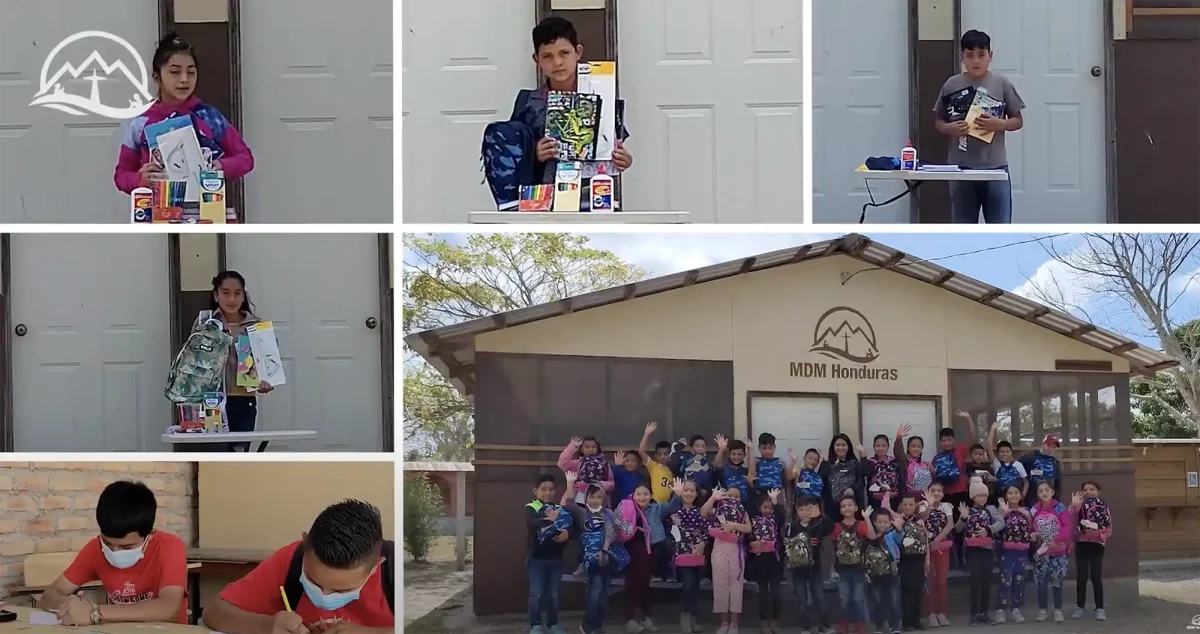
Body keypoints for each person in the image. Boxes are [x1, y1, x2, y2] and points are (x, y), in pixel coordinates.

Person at [203, 499, 395, 633]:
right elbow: (214, 612)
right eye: (312, 581)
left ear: (376, 566)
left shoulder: (397, 571)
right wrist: (265, 625)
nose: (324, 597)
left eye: (341, 591)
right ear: (305, 544)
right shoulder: (292, 559)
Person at [115, 33, 254, 193]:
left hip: (206, 210)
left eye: (191, 72)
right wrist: (140, 179)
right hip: (158, 213)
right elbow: (121, 175)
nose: (184, 79)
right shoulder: (140, 123)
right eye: (174, 72)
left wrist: (220, 167)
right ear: (156, 77)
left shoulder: (209, 117)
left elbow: (245, 158)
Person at [39, 481, 187, 625]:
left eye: (127, 547)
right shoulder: (95, 548)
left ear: (148, 535)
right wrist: (71, 607)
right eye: (108, 544)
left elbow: (168, 608)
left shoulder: (169, 546)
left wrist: (96, 612)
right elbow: (50, 595)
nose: (115, 552)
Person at [515, 17, 634, 187]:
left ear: (578, 52)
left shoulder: (601, 98)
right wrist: (534, 154)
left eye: (564, 53)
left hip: (595, 195)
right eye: (548, 56)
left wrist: (623, 160)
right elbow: (512, 156)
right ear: (537, 60)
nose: (557, 62)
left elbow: (613, 146)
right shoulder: (529, 104)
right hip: (545, 198)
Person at [933, 29, 1025, 224]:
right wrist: (951, 129)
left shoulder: (1001, 84)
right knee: (962, 225)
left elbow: (1017, 120)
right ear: (961, 58)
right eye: (970, 55)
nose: (976, 61)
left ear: (990, 56)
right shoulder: (952, 84)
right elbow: (939, 121)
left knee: (1000, 226)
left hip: (995, 167)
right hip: (960, 167)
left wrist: (998, 124)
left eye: (981, 55)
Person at [201, 271, 274, 451]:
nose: (232, 299)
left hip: (243, 401)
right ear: (216, 295)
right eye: (225, 292)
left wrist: (266, 380)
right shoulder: (205, 323)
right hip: (211, 401)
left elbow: (268, 367)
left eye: (237, 293)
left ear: (243, 295)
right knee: (215, 455)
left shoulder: (255, 326)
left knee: (238, 453)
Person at [563, 475, 626, 634]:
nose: (596, 500)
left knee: (604, 592)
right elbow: (569, 504)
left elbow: (616, 530)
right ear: (586, 497)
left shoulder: (609, 514)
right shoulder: (582, 513)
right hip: (591, 559)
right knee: (595, 590)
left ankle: (598, 625)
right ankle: (588, 625)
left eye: (599, 497)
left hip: (607, 556)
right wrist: (570, 483)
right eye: (592, 496)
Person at [616, 484, 680, 634]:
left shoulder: (655, 508)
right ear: (633, 495)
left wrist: (677, 495)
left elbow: (671, 507)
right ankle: (630, 620)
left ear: (650, 496)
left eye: (645, 494)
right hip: (628, 549)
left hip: (648, 550)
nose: (642, 497)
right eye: (639, 494)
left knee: (645, 584)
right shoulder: (626, 507)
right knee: (631, 584)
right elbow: (615, 520)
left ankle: (646, 617)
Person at [954, 478, 1005, 625]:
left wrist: (988, 530)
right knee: (975, 583)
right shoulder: (968, 510)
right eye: (979, 495)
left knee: (986, 582)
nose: (982, 498)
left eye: (984, 495)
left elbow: (1001, 522)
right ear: (972, 497)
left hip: (988, 550)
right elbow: (957, 529)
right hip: (973, 552)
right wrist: (963, 518)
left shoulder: (991, 509)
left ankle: (984, 613)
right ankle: (974, 614)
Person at [526, 474, 571, 634]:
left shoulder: (559, 508)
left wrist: (567, 533)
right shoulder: (531, 507)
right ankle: (536, 625)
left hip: (556, 559)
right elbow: (533, 523)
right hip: (536, 560)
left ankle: (553, 624)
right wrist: (549, 519)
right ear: (535, 491)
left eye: (551, 489)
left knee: (553, 594)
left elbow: (568, 526)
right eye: (543, 489)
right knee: (536, 594)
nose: (547, 493)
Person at [702, 487, 751, 634]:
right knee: (720, 585)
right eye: (729, 495)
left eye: (736, 496)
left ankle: (734, 623)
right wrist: (713, 498)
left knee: (736, 586)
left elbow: (748, 528)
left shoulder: (743, 511)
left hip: (736, 550)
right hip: (719, 550)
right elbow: (703, 513)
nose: (733, 498)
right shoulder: (718, 509)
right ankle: (723, 622)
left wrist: (734, 526)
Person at [785, 495, 833, 634]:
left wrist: (821, 515)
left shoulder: (818, 524)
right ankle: (806, 626)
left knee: (819, 597)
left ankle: (824, 625)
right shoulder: (792, 526)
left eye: (808, 510)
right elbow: (786, 540)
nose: (805, 513)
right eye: (802, 509)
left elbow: (830, 527)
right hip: (798, 569)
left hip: (815, 568)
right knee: (802, 600)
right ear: (797, 510)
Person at [884, 493, 928, 631]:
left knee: (917, 590)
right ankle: (907, 621)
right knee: (907, 591)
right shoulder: (897, 520)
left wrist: (927, 561)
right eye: (905, 505)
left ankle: (916, 619)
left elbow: (925, 542)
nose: (908, 507)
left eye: (911, 504)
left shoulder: (919, 521)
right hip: (905, 560)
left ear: (915, 505)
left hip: (919, 560)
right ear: (901, 506)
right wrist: (898, 528)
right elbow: (892, 541)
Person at [670, 479, 708, 633]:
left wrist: (702, 544)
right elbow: (669, 523)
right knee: (688, 584)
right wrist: (676, 496)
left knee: (696, 585)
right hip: (682, 549)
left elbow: (707, 529)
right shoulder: (675, 509)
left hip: (697, 550)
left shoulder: (699, 511)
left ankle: (694, 616)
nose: (688, 493)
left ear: (697, 493)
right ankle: (685, 616)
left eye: (692, 491)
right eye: (685, 490)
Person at [831, 496, 874, 634]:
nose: (847, 508)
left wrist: (867, 518)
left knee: (857, 597)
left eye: (850, 505)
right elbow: (833, 548)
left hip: (859, 568)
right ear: (840, 510)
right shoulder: (836, 527)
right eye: (843, 506)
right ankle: (845, 621)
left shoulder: (861, 525)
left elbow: (872, 536)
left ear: (856, 508)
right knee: (844, 598)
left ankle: (859, 622)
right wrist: (832, 568)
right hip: (842, 569)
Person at [1070, 482, 1112, 622]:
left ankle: (1099, 608)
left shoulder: (1103, 507)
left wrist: (1098, 535)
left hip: (1097, 544)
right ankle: (1080, 607)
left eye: (1092, 489)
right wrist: (1073, 505)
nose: (1088, 492)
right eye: (1085, 490)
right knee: (1081, 577)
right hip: (1081, 543)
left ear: (1099, 491)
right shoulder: (1079, 504)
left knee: (1096, 576)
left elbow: (1108, 527)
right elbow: (1068, 517)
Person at [1029, 481, 1071, 623]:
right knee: (1041, 582)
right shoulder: (1034, 510)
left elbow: (1067, 527)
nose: (1044, 493)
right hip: (1042, 553)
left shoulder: (1060, 508)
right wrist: (1033, 535)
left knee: (1057, 581)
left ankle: (1058, 610)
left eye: (1047, 490)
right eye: (1040, 491)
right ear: (1037, 494)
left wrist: (1056, 540)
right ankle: (1042, 609)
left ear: (1052, 491)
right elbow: (1031, 529)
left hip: (1058, 552)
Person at [747, 489, 785, 634]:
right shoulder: (753, 520)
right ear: (759, 508)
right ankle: (763, 624)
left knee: (776, 592)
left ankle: (775, 622)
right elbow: (748, 536)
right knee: (762, 592)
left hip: (775, 558)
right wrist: (752, 543)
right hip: (759, 559)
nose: (768, 510)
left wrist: (775, 500)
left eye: (770, 508)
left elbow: (781, 515)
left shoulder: (776, 518)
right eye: (765, 508)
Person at [995, 485, 1033, 624]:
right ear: (1006, 496)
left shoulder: (1026, 511)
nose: (1013, 495)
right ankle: (1001, 609)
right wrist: (1004, 513)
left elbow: (1030, 528)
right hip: (1007, 550)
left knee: (1019, 579)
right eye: (1010, 493)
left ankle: (1016, 609)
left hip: (1022, 550)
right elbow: (997, 529)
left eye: (1016, 492)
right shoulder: (1001, 510)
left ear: (1020, 495)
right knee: (1005, 579)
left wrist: (1032, 536)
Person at [865, 507, 904, 634]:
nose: (882, 524)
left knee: (894, 599)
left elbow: (899, 537)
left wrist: (898, 528)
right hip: (875, 575)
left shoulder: (891, 535)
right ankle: (879, 626)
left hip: (892, 574)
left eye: (885, 522)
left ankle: (895, 625)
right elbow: (871, 537)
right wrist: (866, 518)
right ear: (875, 523)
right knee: (877, 601)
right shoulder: (871, 537)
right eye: (879, 522)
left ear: (890, 523)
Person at [922, 482, 954, 628]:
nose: (936, 493)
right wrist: (929, 505)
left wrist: (937, 540)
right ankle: (931, 613)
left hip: (942, 547)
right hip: (927, 549)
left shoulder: (946, 506)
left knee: (942, 581)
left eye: (939, 491)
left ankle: (942, 613)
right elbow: (922, 520)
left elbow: (950, 525)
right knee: (930, 581)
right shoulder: (923, 505)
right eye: (933, 490)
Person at [985, 422, 1028, 505]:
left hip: (1016, 500)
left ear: (1011, 452)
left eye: (1007, 451)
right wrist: (993, 429)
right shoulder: (997, 464)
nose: (1004, 454)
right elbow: (989, 446)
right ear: (997, 454)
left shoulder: (1018, 464)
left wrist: (1023, 494)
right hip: (1001, 499)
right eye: (1001, 452)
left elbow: (1025, 481)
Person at [821, 434, 863, 518]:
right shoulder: (827, 462)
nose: (840, 448)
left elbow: (861, 481)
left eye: (843, 445)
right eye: (837, 445)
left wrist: (853, 489)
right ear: (833, 446)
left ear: (848, 447)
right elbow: (821, 481)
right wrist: (826, 463)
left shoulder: (854, 463)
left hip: (851, 506)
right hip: (832, 507)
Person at [1019, 435, 1063, 508]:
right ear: (1043, 444)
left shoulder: (1055, 462)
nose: (1050, 449)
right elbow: (1017, 468)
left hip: (1049, 498)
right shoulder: (1030, 456)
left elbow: (1058, 483)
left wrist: (1057, 499)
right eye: (1048, 445)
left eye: (1053, 447)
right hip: (1032, 498)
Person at [893, 425, 932, 503]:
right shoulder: (905, 460)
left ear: (922, 449)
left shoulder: (925, 464)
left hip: (924, 501)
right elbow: (898, 452)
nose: (916, 449)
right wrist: (898, 438)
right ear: (908, 448)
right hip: (908, 501)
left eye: (919, 447)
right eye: (913, 446)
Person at [638, 422, 675, 504]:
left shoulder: (672, 470)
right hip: (655, 503)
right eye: (660, 454)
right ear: (655, 455)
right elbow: (641, 452)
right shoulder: (654, 466)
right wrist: (646, 434)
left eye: (666, 454)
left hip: (667, 505)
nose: (663, 457)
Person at [864, 434, 900, 507]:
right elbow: (863, 473)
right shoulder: (870, 462)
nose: (881, 448)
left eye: (884, 446)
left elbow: (901, 480)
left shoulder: (894, 462)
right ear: (874, 447)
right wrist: (863, 457)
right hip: (874, 501)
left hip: (892, 500)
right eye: (878, 446)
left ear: (888, 447)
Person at [713, 434, 750, 502]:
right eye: (733, 454)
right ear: (729, 454)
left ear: (744, 455)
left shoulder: (746, 471)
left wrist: (750, 449)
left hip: (744, 506)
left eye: (740, 454)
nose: (736, 457)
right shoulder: (724, 470)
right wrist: (722, 449)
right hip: (727, 505)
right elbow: (716, 465)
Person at [748, 433, 787, 498]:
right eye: (764, 448)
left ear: (774, 447)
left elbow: (788, 478)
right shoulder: (756, 461)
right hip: (761, 494)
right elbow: (751, 473)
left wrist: (793, 462)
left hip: (777, 493)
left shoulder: (780, 462)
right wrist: (750, 449)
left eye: (770, 448)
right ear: (759, 448)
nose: (767, 451)